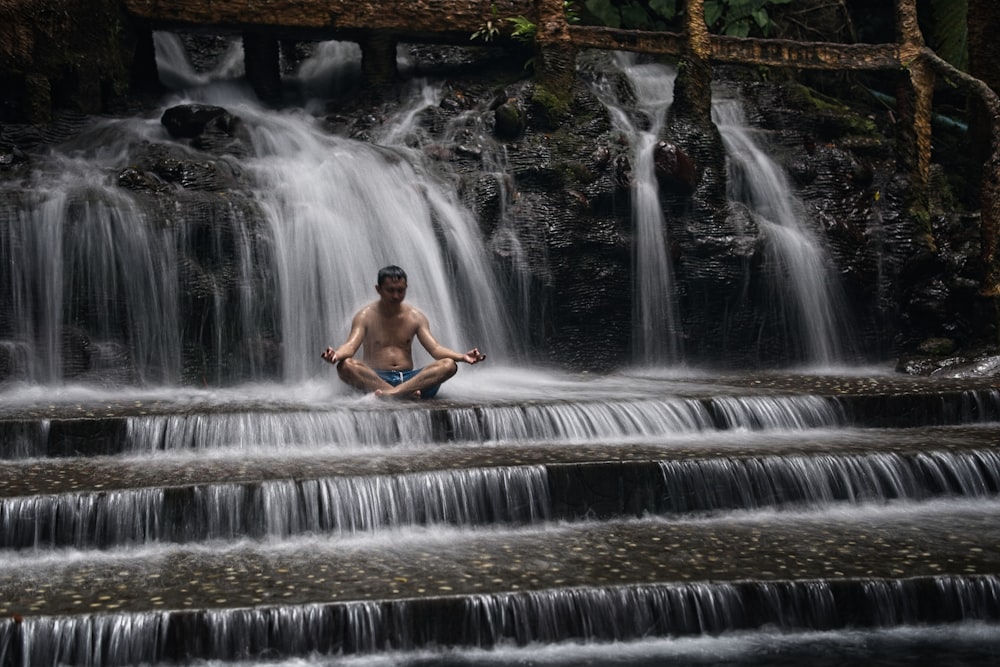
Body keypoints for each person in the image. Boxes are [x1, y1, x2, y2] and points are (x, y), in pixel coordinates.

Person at [321, 265, 486, 399]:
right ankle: (403, 393)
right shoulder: (365, 316)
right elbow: (350, 346)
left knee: (449, 364)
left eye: (400, 290)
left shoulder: (415, 317)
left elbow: (435, 349)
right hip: (376, 380)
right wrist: (336, 354)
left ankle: (395, 393)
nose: (396, 295)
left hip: (412, 380)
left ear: (406, 287)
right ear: (378, 289)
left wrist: (462, 357)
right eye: (390, 290)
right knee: (345, 366)